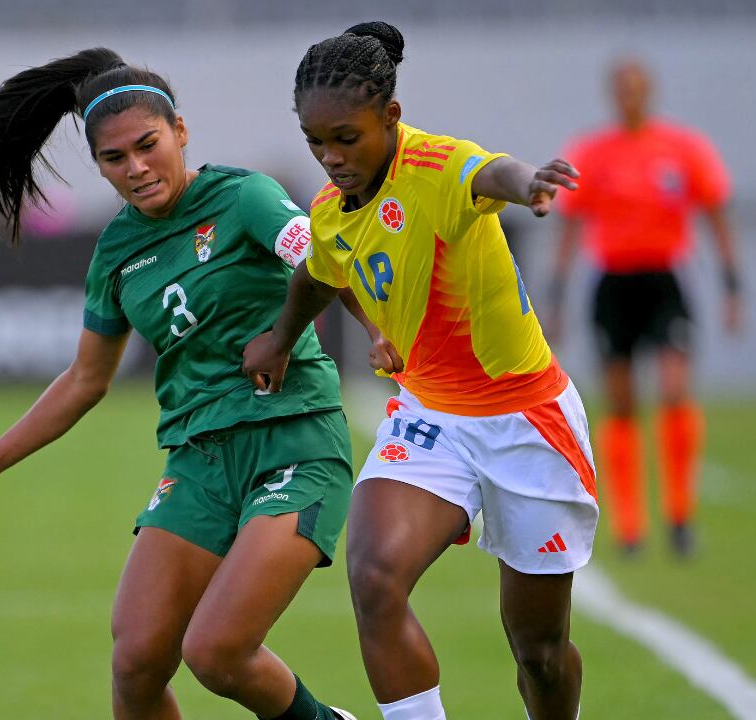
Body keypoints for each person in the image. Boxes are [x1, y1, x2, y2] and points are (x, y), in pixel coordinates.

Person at [0, 49, 365, 720]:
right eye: (114, 159)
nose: (136, 168)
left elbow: (329, 259)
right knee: (136, 662)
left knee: (218, 652)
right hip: (201, 461)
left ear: (179, 131)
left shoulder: (245, 197)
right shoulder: (118, 249)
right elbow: (86, 379)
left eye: (148, 145)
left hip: (293, 441)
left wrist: (378, 331)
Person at [243, 22, 597, 720]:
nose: (331, 157)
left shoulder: (438, 167)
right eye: (316, 142)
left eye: (346, 138)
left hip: (528, 422)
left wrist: (530, 184)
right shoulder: (329, 211)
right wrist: (280, 338)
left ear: (390, 117)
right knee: (374, 576)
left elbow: (492, 172)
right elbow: (318, 273)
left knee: (539, 650)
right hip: (431, 415)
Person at [551, 57, 740, 557]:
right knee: (621, 401)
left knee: (675, 389)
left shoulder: (682, 149)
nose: (630, 96)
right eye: (622, 89)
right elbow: (569, 227)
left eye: (638, 88)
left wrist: (731, 286)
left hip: (664, 282)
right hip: (613, 284)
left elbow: (716, 213)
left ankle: (680, 515)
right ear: (614, 94)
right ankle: (629, 525)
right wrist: (556, 292)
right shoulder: (593, 153)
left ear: (649, 92)